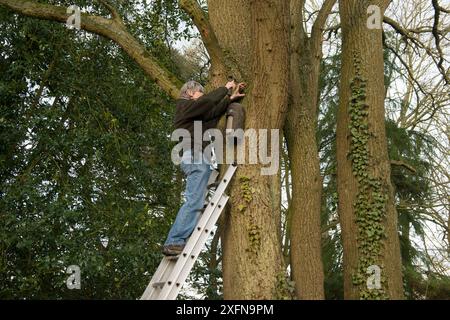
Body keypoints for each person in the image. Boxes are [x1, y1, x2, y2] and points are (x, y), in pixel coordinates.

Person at [163, 79, 245, 256]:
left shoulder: (196, 114)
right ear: (191, 93)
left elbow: (213, 112)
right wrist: (224, 88)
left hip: (199, 157)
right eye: (201, 92)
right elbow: (207, 102)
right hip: (194, 156)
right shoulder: (183, 106)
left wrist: (231, 99)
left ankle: (176, 239)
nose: (203, 95)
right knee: (194, 201)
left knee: (196, 200)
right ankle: (174, 241)